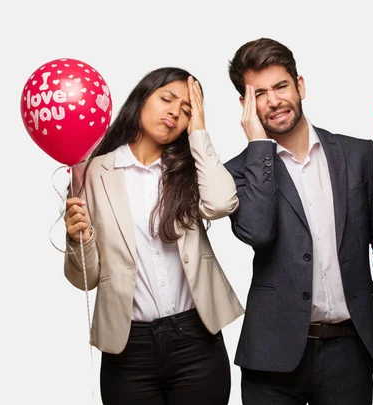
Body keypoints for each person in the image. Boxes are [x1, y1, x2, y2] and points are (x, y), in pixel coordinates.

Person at [224, 38, 373, 405]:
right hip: (271, 356)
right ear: (245, 105)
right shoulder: (236, 172)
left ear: (300, 85)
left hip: (348, 350)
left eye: (281, 86)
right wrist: (259, 146)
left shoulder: (359, 155)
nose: (274, 100)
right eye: (259, 94)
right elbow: (259, 232)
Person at [63, 67, 244, 405]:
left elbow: (222, 203)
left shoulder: (191, 168)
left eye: (187, 109)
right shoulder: (90, 173)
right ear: (141, 99)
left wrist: (200, 132)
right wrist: (78, 240)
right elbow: (84, 279)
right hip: (128, 348)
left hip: (196, 340)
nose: (175, 112)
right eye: (167, 99)